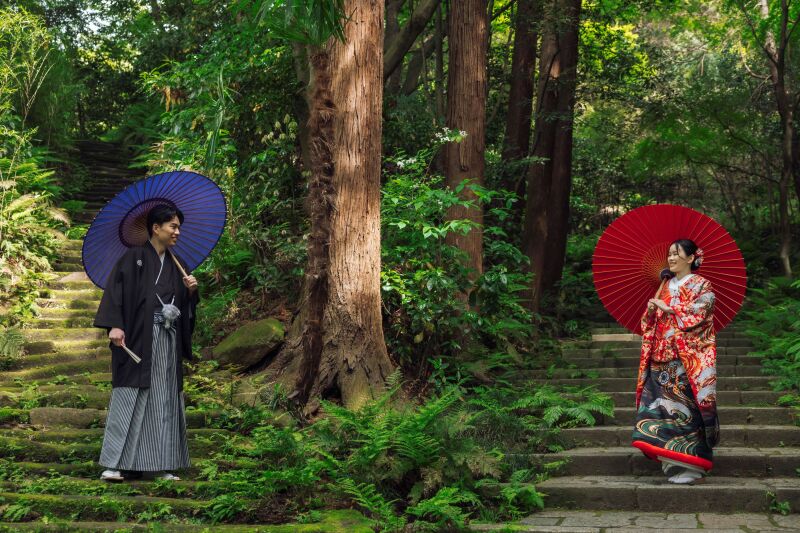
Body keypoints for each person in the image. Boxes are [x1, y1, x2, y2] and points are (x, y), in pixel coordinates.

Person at [93, 204, 200, 482]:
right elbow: (115, 292)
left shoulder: (179, 264)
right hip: (138, 338)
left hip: (167, 340)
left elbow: (182, 309)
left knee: (163, 398)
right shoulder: (134, 258)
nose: (177, 232)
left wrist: (191, 293)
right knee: (129, 395)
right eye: (173, 226)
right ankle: (114, 464)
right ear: (156, 228)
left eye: (178, 227)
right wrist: (115, 325)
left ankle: (160, 465)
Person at [631, 238, 719, 485]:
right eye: (669, 254)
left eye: (676, 254)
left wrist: (671, 309)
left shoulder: (701, 284)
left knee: (686, 410)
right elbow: (648, 323)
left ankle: (692, 464)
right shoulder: (664, 285)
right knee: (659, 409)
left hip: (685, 359)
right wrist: (652, 310)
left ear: (690, 258)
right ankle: (670, 461)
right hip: (660, 354)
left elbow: (703, 311)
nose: (670, 258)